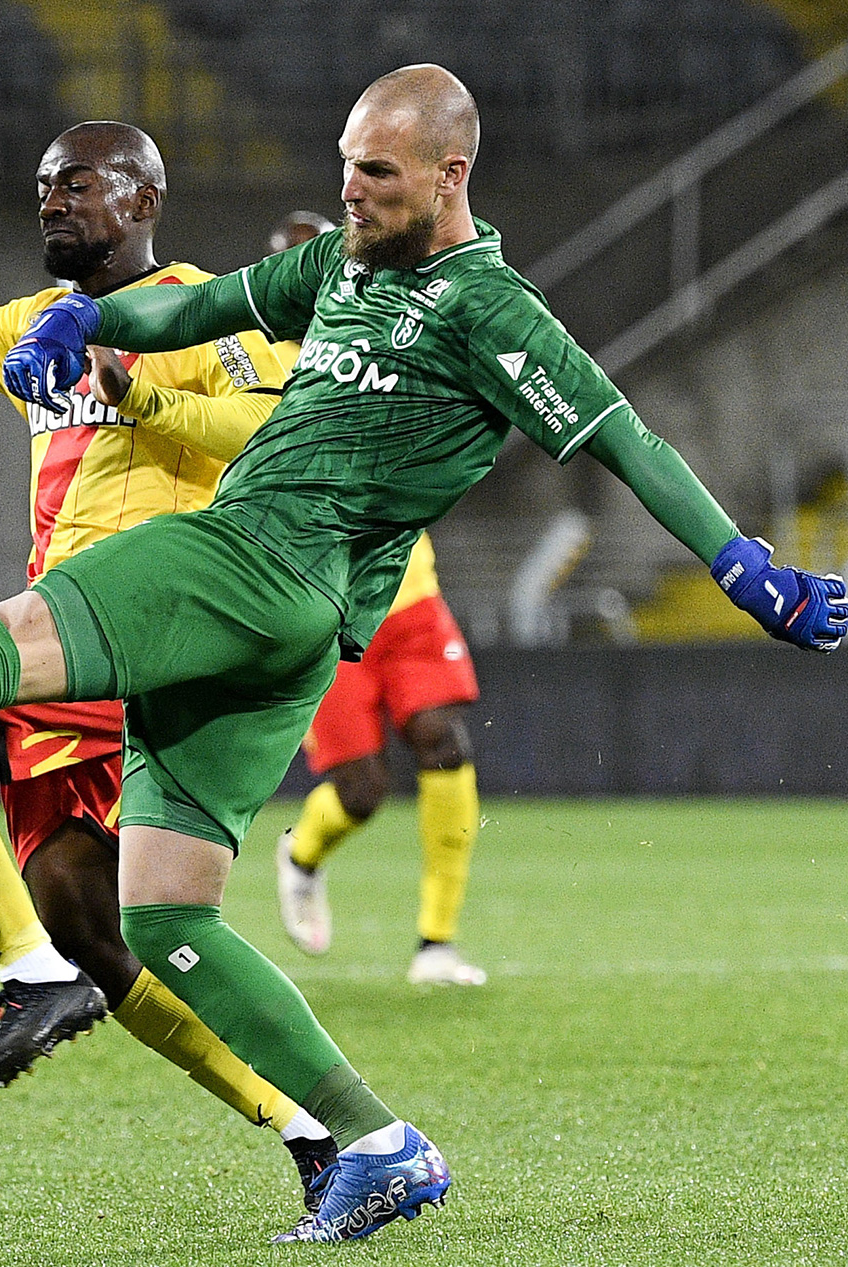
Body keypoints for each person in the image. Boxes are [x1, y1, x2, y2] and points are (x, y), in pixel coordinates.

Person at [0, 65, 847, 1243]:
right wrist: (79, 327)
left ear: (453, 173)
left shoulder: (489, 306)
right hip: (288, 637)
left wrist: (741, 563)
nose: (350, 191)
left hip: (251, 557)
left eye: (377, 172)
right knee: (162, 913)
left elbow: (620, 436)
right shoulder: (342, 270)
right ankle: (370, 1141)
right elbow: (202, 299)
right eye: (342, 163)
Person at [0, 122, 337, 1205]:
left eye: (75, 183)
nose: (50, 201)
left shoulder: (204, 311)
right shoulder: (35, 324)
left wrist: (136, 392)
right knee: (99, 930)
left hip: (142, 626)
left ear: (143, 195)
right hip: (63, 627)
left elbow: (269, 436)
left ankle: (27, 972)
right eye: (39, 186)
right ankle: (313, 1133)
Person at [262, 211, 486, 986]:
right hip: (324, 611)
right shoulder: (258, 368)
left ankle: (437, 943)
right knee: (360, 790)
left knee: (443, 739)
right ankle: (301, 850)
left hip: (410, 589)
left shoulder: (391, 335)